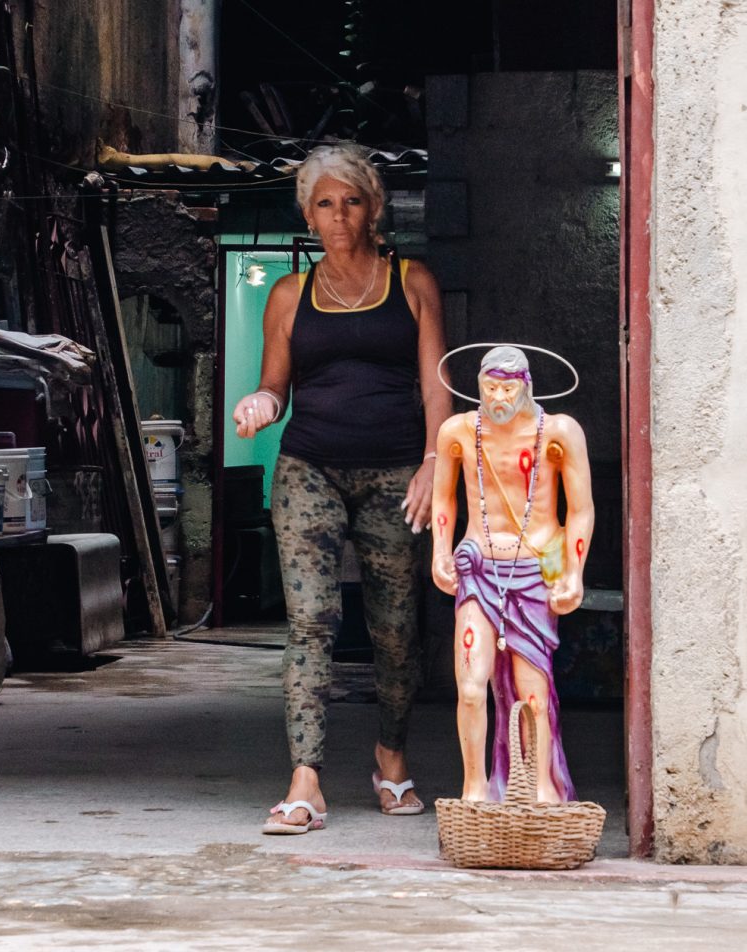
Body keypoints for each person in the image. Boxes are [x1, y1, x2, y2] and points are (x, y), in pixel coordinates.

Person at [232, 142, 451, 834]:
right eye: (323, 203)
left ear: (373, 209)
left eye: (350, 201)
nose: (337, 215)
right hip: (309, 468)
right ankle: (306, 779)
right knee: (312, 621)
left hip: (395, 473)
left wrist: (434, 461)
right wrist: (259, 407)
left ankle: (390, 758)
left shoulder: (411, 281)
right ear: (307, 211)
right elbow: (275, 384)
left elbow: (435, 383)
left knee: (395, 631)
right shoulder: (290, 293)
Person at [429, 346, 594, 803]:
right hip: (478, 564)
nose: (498, 396)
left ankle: (541, 786)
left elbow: (579, 511)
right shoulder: (458, 432)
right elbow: (444, 500)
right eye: (490, 387)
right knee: (468, 685)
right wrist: (440, 551)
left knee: (533, 690)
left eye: (508, 388)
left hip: (538, 564)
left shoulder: (558, 432)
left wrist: (573, 572)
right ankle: (474, 788)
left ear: (527, 386)